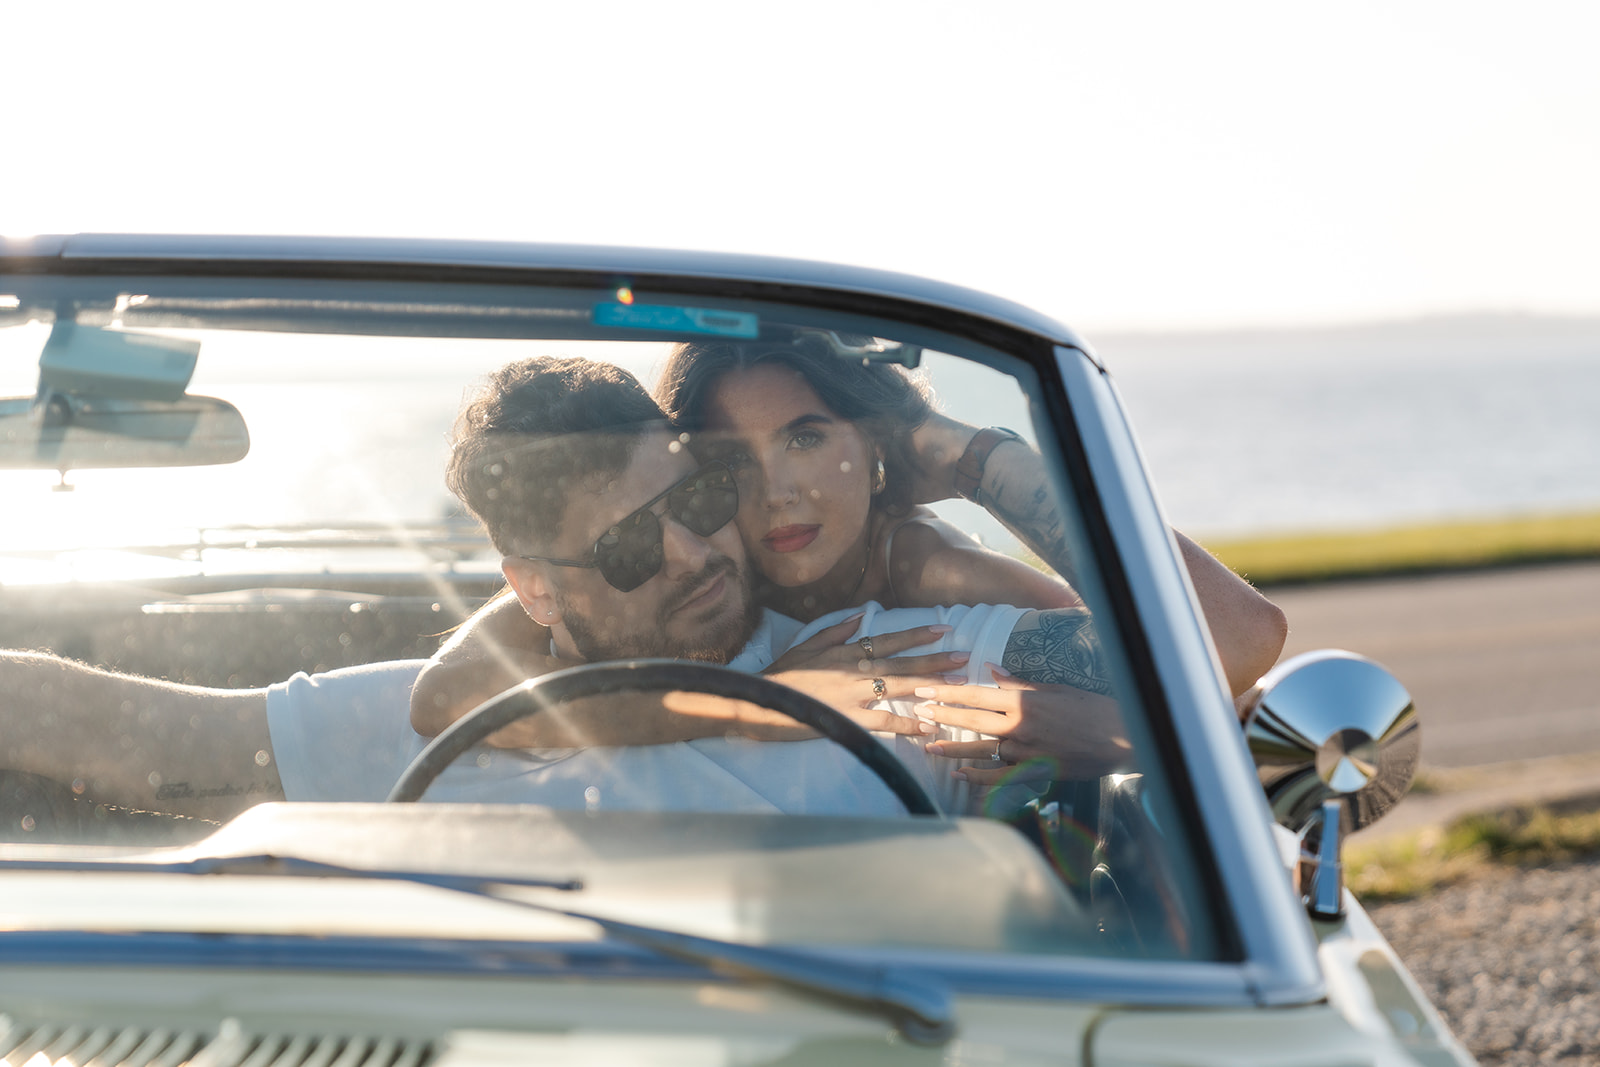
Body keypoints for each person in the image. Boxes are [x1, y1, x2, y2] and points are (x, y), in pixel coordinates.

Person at [0, 356, 1128, 827]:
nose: (694, 554)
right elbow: (125, 731)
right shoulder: (430, 710)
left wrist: (989, 468)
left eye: (696, 503)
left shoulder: (897, 657)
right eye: (634, 546)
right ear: (535, 588)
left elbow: (1193, 675)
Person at [410, 337, 1286, 741]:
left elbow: (1235, 644)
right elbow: (446, 700)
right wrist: (766, 705)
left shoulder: (937, 579)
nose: (777, 489)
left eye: (805, 437)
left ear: (871, 442)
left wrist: (974, 456)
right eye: (728, 464)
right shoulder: (688, 561)